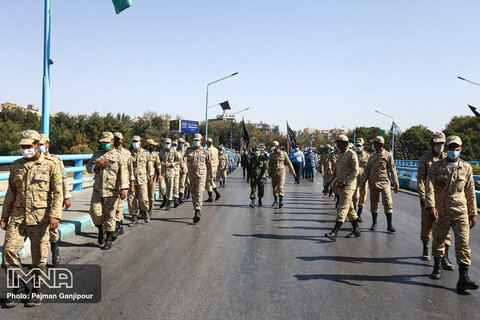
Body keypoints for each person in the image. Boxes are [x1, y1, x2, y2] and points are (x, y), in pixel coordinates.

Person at [1, 130, 63, 307]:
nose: (25, 149)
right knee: (8, 252)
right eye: (22, 147)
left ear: (37, 145)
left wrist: (55, 215)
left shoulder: (51, 165)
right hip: (18, 217)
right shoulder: (16, 166)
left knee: (39, 257)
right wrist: (4, 215)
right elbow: (11, 193)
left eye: (28, 146)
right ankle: (19, 287)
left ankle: (36, 289)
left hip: (40, 218)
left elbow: (58, 193)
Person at [425, 135, 478, 293]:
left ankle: (464, 278)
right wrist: (430, 206)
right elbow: (430, 187)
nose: (454, 150)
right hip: (441, 211)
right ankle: (437, 267)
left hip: (460, 212)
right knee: (439, 240)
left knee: (463, 243)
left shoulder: (466, 168)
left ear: (461, 148)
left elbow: (470, 191)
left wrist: (473, 213)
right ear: (446, 149)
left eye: (456, 147)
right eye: (451, 147)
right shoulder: (436, 166)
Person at [87, 132, 128, 250]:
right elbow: (89, 169)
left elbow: (124, 173)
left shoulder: (119, 156)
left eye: (106, 142)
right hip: (98, 191)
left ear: (112, 142)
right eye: (102, 143)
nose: (104, 145)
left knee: (110, 215)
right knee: (95, 213)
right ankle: (100, 230)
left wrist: (124, 188)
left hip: (112, 191)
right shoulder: (97, 155)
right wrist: (98, 165)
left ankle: (109, 239)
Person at [417, 132, 453, 267]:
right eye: (436, 143)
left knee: (445, 228)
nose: (439, 146)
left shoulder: (448, 158)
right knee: (427, 225)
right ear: (431, 143)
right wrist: (423, 196)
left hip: (444, 200)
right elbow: (421, 179)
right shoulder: (425, 159)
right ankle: (426, 247)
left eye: (441, 143)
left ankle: (445, 257)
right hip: (429, 198)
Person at [39, 134, 71, 265]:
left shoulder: (56, 160)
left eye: (42, 143)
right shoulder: (32, 160)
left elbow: (63, 178)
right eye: (38, 143)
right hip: (37, 201)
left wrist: (67, 196)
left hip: (53, 200)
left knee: (52, 229)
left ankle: (55, 247)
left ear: (48, 145)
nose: (40, 146)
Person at [325, 135, 360, 241]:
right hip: (340, 185)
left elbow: (356, 171)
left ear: (344, 143)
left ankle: (334, 232)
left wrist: (345, 182)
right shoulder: (339, 155)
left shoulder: (352, 154)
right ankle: (356, 230)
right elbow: (335, 172)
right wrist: (327, 183)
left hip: (348, 186)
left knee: (342, 207)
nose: (337, 145)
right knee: (350, 209)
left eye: (338, 143)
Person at [362, 136, 399, 232]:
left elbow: (393, 170)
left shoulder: (388, 155)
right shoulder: (372, 156)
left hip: (384, 183)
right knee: (374, 204)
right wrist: (363, 181)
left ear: (378, 144)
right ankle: (374, 224)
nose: (373, 145)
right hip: (373, 183)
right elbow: (367, 170)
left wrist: (396, 184)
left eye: (374, 143)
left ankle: (389, 225)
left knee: (388, 203)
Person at [184, 134, 214, 223]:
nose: (196, 141)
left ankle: (198, 211)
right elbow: (184, 160)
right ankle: (196, 209)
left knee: (199, 192)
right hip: (191, 176)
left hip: (201, 175)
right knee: (193, 193)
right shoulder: (189, 150)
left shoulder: (205, 151)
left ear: (201, 141)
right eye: (194, 140)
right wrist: (184, 167)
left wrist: (211, 177)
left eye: (197, 140)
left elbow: (209, 165)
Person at [113, 132, 135, 239]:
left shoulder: (127, 154)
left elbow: (131, 170)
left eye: (118, 139)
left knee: (119, 207)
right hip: (111, 185)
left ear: (122, 140)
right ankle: (118, 226)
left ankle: (118, 227)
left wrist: (131, 185)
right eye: (114, 138)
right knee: (113, 208)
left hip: (123, 185)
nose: (116, 140)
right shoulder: (110, 153)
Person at [128, 136, 154, 223]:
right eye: (133, 141)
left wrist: (151, 178)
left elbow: (149, 167)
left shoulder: (146, 153)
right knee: (132, 199)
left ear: (140, 143)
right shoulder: (129, 154)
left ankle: (145, 212)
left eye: (136, 141)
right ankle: (134, 216)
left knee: (143, 199)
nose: (135, 143)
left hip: (143, 179)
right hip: (132, 180)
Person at [269, 141, 296, 208]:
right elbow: (269, 164)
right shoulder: (272, 154)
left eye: (275, 148)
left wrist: (293, 172)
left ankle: (280, 201)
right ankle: (275, 201)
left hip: (281, 172)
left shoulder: (284, 154)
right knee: (274, 187)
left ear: (278, 146)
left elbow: (289, 163)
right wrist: (269, 172)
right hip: (274, 172)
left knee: (280, 186)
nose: (274, 149)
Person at [159, 138, 181, 210]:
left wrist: (172, 164)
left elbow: (178, 161)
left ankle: (169, 203)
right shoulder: (161, 151)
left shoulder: (174, 152)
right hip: (162, 171)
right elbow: (158, 160)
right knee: (161, 187)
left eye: (168, 143)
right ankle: (164, 198)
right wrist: (161, 163)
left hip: (170, 171)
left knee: (170, 188)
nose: (167, 145)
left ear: (171, 144)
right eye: (166, 143)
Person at [352, 138, 370, 222]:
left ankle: (359, 214)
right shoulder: (353, 155)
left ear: (363, 146)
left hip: (364, 180)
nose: (358, 147)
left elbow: (370, 168)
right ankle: (354, 215)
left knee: (362, 197)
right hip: (354, 179)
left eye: (359, 146)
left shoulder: (367, 156)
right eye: (357, 145)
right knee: (355, 197)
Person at [146, 139, 161, 214]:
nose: (153, 147)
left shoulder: (155, 154)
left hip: (153, 177)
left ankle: (150, 208)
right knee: (143, 194)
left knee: (151, 193)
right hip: (143, 177)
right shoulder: (143, 153)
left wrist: (159, 175)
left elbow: (158, 165)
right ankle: (143, 210)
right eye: (152, 145)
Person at [205, 138, 221, 202]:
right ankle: (216, 194)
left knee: (208, 182)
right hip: (214, 167)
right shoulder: (216, 150)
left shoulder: (208, 150)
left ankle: (211, 196)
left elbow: (207, 160)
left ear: (209, 143)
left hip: (209, 167)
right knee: (211, 181)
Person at [177, 138, 188, 203]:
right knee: (176, 183)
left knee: (182, 183)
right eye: (180, 143)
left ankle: (180, 198)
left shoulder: (186, 151)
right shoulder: (175, 150)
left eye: (183, 143)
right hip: (177, 168)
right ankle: (176, 196)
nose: (181, 144)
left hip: (184, 168)